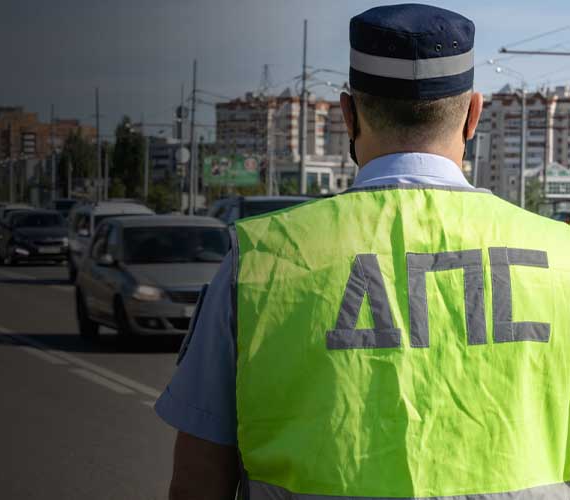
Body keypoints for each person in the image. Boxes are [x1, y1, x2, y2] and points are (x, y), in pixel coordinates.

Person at [156, 4, 570, 500]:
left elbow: (200, 475)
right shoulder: (560, 255)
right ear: (474, 114)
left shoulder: (261, 260)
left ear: (348, 114)